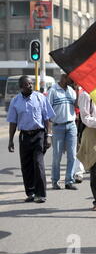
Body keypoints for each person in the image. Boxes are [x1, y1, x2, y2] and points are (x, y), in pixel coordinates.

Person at [7, 75, 55, 203]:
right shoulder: (15, 101)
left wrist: (49, 136)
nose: (31, 85)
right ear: (21, 87)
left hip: (39, 135)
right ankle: (31, 192)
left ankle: (41, 194)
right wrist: (11, 140)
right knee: (26, 165)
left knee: (38, 164)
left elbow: (48, 118)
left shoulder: (40, 97)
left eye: (31, 83)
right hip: (24, 136)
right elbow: (12, 122)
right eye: (28, 84)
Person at [47, 73, 78, 190]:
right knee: (57, 156)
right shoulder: (53, 90)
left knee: (72, 155)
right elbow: (48, 112)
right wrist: (49, 133)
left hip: (71, 126)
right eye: (71, 78)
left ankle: (69, 181)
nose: (73, 81)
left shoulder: (71, 90)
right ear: (64, 77)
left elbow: (77, 105)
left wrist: (77, 90)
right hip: (58, 127)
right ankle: (55, 181)